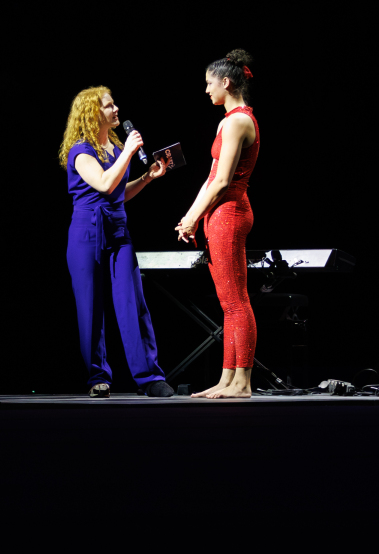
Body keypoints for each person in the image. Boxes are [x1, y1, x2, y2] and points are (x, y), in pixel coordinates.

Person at [59, 86, 174, 398]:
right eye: (109, 106)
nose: (116, 109)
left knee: (132, 302)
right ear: (92, 113)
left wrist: (147, 177)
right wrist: (129, 152)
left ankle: (149, 377)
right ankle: (98, 377)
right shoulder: (81, 151)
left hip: (118, 230)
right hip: (86, 232)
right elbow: (104, 184)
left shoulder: (114, 147)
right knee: (90, 307)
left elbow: (119, 194)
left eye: (113, 104)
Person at [175, 50, 260, 398]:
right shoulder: (227, 121)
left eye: (210, 83)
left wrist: (194, 216)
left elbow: (223, 181)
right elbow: (211, 178)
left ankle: (243, 382)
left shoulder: (238, 121)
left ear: (226, 82)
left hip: (230, 212)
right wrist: (191, 217)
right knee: (228, 304)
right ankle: (228, 379)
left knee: (237, 301)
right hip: (218, 213)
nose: (207, 89)